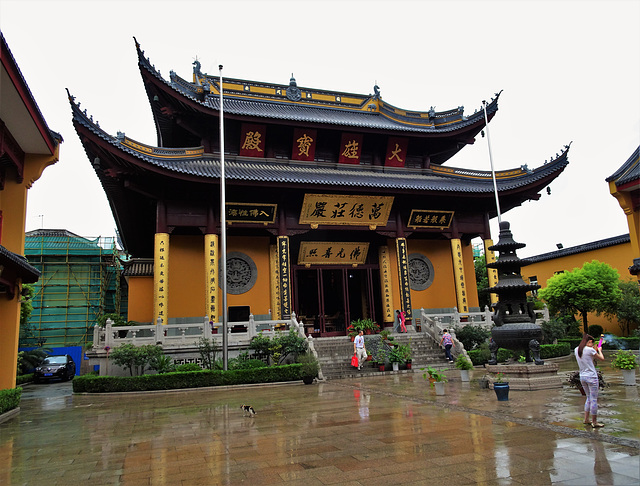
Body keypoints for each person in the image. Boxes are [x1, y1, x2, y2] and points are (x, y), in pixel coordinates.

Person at [575, 333, 605, 428]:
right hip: (591, 377)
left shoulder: (577, 349)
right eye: (592, 343)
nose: (593, 345)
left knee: (588, 398)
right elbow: (602, 359)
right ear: (589, 342)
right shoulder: (589, 350)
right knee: (593, 399)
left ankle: (586, 419)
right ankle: (594, 421)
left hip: (582, 376)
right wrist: (599, 350)